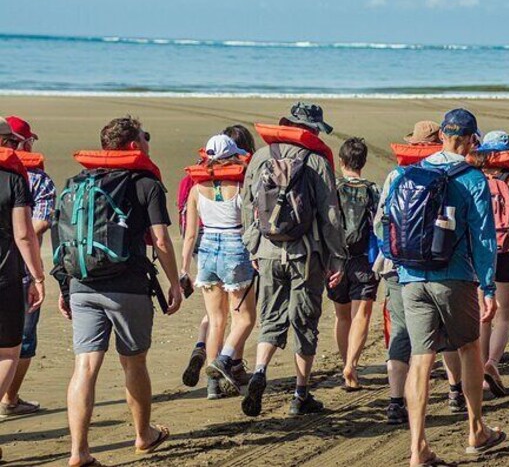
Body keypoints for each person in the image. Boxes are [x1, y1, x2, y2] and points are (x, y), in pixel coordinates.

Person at [57, 117, 182, 466]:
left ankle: (78, 452)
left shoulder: (79, 182)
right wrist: (174, 282)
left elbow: (65, 236)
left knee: (84, 367)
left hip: (81, 282)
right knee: (134, 362)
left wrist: (64, 285)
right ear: (133, 145)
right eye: (145, 136)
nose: (148, 140)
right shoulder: (146, 183)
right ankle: (144, 435)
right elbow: (159, 240)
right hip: (127, 287)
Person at [386, 108, 505, 466]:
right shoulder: (472, 179)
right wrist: (488, 287)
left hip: (410, 278)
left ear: (441, 137)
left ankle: (417, 448)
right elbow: (485, 238)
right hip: (453, 277)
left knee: (421, 359)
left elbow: (388, 221)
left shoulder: (408, 173)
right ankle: (476, 430)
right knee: (469, 347)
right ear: (470, 140)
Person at [240, 102, 346, 417]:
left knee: (271, 318)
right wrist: (337, 257)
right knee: (305, 323)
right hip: (306, 253)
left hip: (268, 250)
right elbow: (330, 215)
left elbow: (247, 205)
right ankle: (301, 394)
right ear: (311, 130)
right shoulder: (316, 161)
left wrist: (252, 246)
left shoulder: (260, 157)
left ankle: (260, 371)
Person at [374, 121, 467, 425]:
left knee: (401, 333)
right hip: (442, 266)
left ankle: (395, 402)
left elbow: (380, 224)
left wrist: (394, 258)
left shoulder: (396, 176)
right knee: (448, 333)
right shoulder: (451, 174)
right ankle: (455, 392)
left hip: (398, 268)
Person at [181, 135, 257, 400]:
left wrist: (184, 269)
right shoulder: (240, 185)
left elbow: (190, 234)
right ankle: (224, 360)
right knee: (245, 318)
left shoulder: (195, 188)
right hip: (235, 248)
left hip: (207, 251)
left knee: (216, 320)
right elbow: (251, 225)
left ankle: (212, 387)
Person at [468, 130, 509, 397]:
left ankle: (481, 371)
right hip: (506, 251)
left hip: (479, 251)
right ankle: (491, 364)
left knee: (484, 313)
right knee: (504, 315)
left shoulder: (474, 177)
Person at [0, 117, 54, 418]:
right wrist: (37, 276)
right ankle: (9, 399)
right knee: (11, 348)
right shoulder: (18, 178)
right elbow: (26, 232)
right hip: (10, 272)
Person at [328, 137, 380, 391]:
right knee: (362, 314)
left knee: (342, 315)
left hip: (336, 259)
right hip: (363, 260)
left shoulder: (332, 188)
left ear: (341, 161)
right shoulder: (372, 190)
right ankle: (351, 363)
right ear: (363, 162)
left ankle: (345, 363)